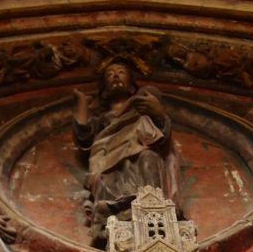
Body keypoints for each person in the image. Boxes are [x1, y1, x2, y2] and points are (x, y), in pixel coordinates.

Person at [73, 62, 176, 242]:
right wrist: (82, 103)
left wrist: (158, 112)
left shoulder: (141, 111)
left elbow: (161, 134)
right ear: (104, 90)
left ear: (131, 86)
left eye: (121, 72)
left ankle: (153, 210)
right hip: (107, 155)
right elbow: (84, 136)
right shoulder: (102, 119)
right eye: (110, 74)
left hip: (139, 149)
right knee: (105, 177)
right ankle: (114, 213)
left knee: (149, 157)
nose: (115, 76)